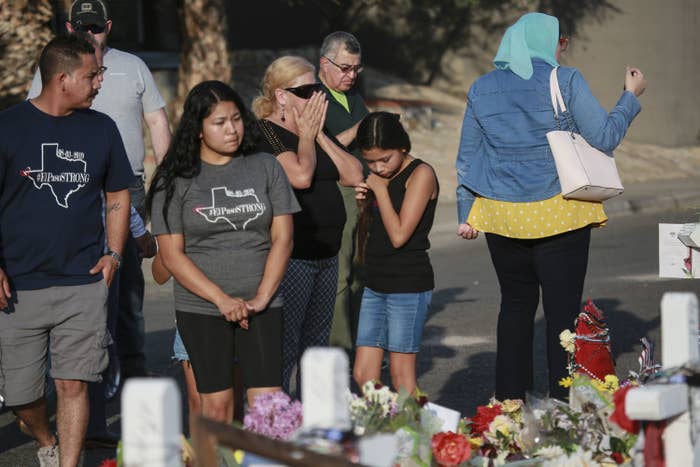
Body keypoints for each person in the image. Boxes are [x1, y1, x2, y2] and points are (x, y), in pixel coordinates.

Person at [455, 12, 646, 401]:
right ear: (550, 42)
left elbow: (467, 158)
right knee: (562, 316)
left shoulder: (482, 88)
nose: (564, 47)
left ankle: (510, 407)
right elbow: (605, 136)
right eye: (562, 40)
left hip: (502, 216)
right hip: (560, 212)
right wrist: (630, 96)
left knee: (514, 309)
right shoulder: (566, 79)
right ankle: (563, 409)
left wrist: (465, 213)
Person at [0, 35, 132, 467]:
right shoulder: (8, 127)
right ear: (62, 78)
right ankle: (44, 438)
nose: (99, 83)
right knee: (22, 397)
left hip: (83, 280)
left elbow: (118, 192)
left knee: (73, 384)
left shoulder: (102, 128)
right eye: (93, 75)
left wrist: (113, 253)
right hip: (19, 285)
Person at [28, 0, 169, 383]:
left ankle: (133, 371)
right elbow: (33, 123)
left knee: (127, 290)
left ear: (107, 25)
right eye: (81, 28)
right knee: (84, 283)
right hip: (72, 187)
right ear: (70, 28)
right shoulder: (55, 67)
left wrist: (169, 177)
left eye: (96, 27)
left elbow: (157, 120)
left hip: (128, 188)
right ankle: (86, 376)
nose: (89, 35)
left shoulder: (133, 67)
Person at [147, 81, 300, 423]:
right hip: (201, 308)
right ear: (198, 129)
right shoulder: (173, 180)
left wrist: (261, 298)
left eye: (236, 119)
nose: (232, 129)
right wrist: (222, 300)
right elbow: (171, 256)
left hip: (262, 303)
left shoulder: (266, 166)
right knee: (216, 409)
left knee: (268, 408)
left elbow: (283, 239)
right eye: (219, 122)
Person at [252, 56, 364, 395]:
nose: (316, 97)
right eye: (306, 91)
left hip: (327, 253)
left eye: (318, 88)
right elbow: (300, 176)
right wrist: (306, 137)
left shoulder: (312, 129)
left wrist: (317, 135)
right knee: (287, 345)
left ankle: (311, 422)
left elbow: (354, 173)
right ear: (281, 95)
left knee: (315, 346)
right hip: (294, 256)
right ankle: (280, 425)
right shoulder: (265, 132)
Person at [352, 112, 438, 394]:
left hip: (407, 284)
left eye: (385, 159)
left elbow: (400, 235)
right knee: (364, 375)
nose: (378, 168)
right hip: (376, 282)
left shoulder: (421, 174)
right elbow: (373, 233)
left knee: (403, 380)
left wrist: (381, 191)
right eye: (370, 161)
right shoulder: (380, 179)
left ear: (402, 146)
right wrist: (365, 203)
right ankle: (380, 435)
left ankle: (418, 437)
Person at [318, 31, 370, 356]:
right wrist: (359, 130)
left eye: (356, 69)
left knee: (360, 275)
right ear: (325, 64)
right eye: (345, 68)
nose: (351, 76)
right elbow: (320, 149)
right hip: (336, 195)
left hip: (364, 194)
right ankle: (338, 348)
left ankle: (359, 347)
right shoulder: (313, 98)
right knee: (340, 277)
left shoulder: (353, 98)